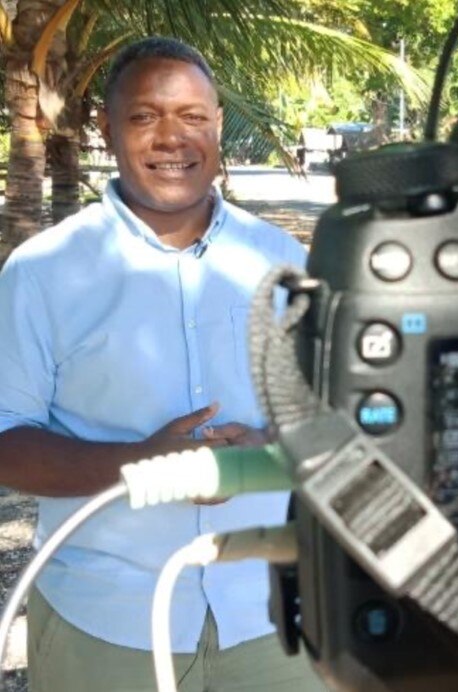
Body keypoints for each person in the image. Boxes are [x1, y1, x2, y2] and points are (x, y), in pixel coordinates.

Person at [0, 38, 328, 691]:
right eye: (145, 116)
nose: (172, 138)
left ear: (218, 125)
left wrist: (269, 449)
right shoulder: (42, 273)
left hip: (270, 619)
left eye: (193, 116)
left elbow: (338, 413)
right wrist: (144, 465)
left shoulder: (286, 263)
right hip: (104, 622)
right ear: (106, 127)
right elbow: (5, 441)